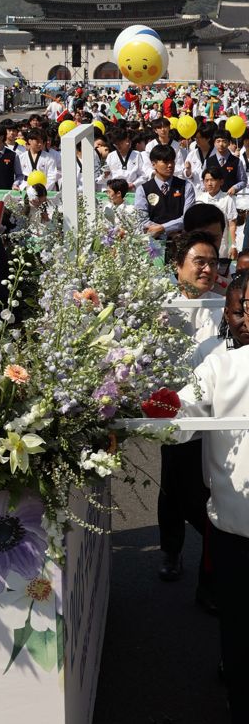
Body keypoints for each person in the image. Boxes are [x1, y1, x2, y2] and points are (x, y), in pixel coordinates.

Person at [162, 326, 249, 724]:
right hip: (240, 543)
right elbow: (184, 413)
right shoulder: (224, 365)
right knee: (241, 660)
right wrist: (156, 406)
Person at [157, 232, 223, 591]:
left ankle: (212, 565)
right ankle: (172, 550)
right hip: (174, 413)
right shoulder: (160, 307)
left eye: (213, 262)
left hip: (216, 413)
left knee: (208, 487)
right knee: (173, 486)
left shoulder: (224, 307)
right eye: (199, 261)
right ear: (178, 266)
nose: (208, 269)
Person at [134, 144, 195, 240]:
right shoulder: (143, 189)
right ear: (153, 164)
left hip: (179, 241)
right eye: (165, 162)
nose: (170, 165)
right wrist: (165, 232)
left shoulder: (186, 186)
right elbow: (141, 220)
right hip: (153, 245)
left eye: (172, 161)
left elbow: (188, 217)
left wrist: (163, 228)